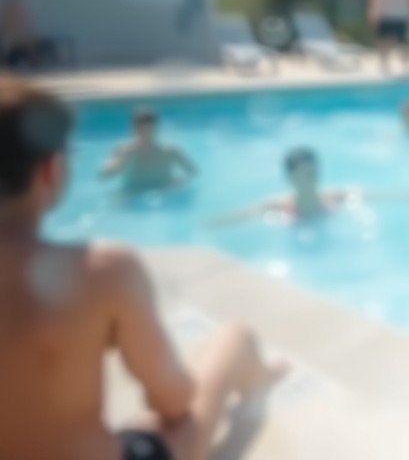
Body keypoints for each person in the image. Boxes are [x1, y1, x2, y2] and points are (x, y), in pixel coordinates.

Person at [0, 77, 287, 460]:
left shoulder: (162, 154)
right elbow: (173, 401)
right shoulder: (103, 270)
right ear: (50, 170)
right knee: (235, 338)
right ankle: (256, 376)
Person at [208, 147, 355, 228]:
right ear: (291, 178)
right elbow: (241, 216)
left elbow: (361, 194)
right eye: (305, 174)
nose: (310, 178)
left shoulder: (333, 197)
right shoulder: (279, 205)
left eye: (313, 173)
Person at [100, 107, 197, 194]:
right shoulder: (123, 150)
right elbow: (105, 175)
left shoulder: (170, 150)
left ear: (155, 126)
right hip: (132, 193)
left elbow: (193, 172)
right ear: (133, 127)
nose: (143, 130)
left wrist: (173, 184)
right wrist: (122, 158)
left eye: (146, 125)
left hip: (163, 192)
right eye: (140, 126)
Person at [0, 0, 56, 69]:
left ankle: (36, 62)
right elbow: (11, 34)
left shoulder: (20, 11)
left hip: (19, 47)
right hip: (11, 49)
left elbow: (27, 31)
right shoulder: (6, 10)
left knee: (43, 46)